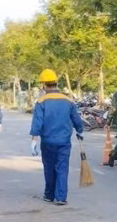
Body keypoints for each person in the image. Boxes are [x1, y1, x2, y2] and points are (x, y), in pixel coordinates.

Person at [29, 69, 83, 205]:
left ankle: (49, 195)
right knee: (62, 167)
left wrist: (34, 140)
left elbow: (37, 122)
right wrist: (80, 131)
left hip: (47, 141)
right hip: (64, 141)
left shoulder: (41, 101)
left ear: (44, 85)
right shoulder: (68, 100)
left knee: (49, 167)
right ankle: (61, 197)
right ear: (56, 83)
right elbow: (76, 119)